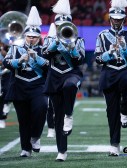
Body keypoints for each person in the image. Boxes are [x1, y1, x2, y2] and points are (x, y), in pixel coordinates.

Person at [42, 0, 85, 161]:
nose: (62, 29)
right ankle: (62, 151)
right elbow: (45, 55)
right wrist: (55, 43)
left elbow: (79, 60)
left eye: (64, 26)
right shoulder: (49, 39)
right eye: (59, 26)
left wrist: (71, 47)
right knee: (57, 116)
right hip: (54, 77)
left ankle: (69, 114)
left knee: (70, 86)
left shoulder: (78, 40)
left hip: (71, 73)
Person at [3, 6, 48, 157]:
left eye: (34, 37)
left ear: (38, 38)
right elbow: (7, 63)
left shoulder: (44, 50)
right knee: (23, 119)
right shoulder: (15, 48)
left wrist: (36, 58)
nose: (31, 39)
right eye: (29, 36)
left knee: (41, 109)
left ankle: (35, 136)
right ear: (25, 36)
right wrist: (19, 60)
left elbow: (49, 68)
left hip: (38, 86)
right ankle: (25, 149)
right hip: (19, 86)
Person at [94, 0, 127, 156]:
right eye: (114, 19)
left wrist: (125, 49)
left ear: (124, 20)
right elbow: (98, 59)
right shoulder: (102, 35)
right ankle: (114, 143)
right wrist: (110, 52)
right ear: (110, 19)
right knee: (111, 111)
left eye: (119, 19)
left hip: (125, 71)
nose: (117, 22)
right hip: (109, 73)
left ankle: (126, 111)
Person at [0, 41, 11, 128]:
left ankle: (2, 117)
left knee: (6, 92)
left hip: (6, 73)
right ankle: (1, 118)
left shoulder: (7, 45)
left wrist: (5, 54)